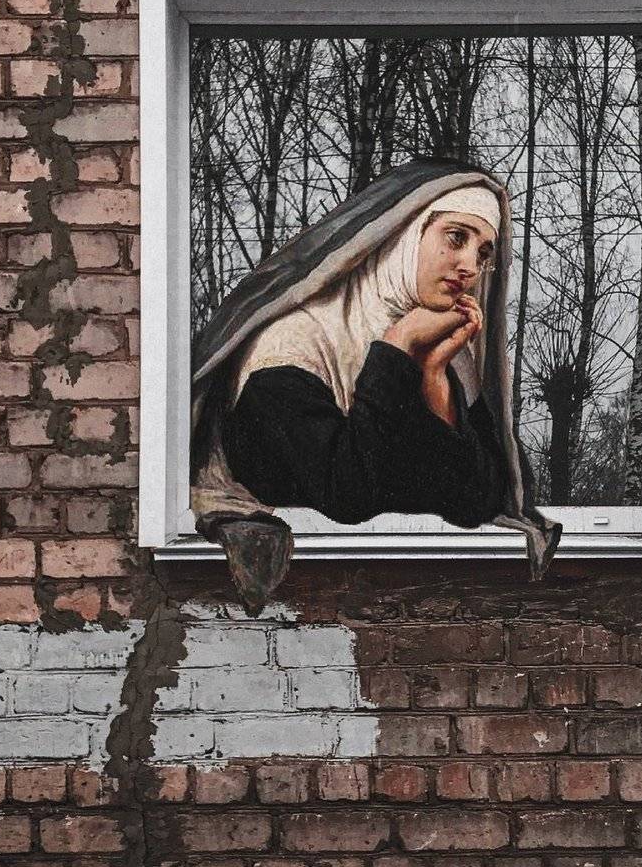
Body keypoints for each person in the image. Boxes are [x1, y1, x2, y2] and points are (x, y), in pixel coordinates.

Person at [190, 159, 561, 612]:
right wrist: (397, 346)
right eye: (456, 238)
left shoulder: (445, 349)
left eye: (483, 254)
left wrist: (433, 377)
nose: (469, 265)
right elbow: (348, 494)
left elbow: (479, 500)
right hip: (320, 601)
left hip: (414, 600)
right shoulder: (293, 340)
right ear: (403, 234)